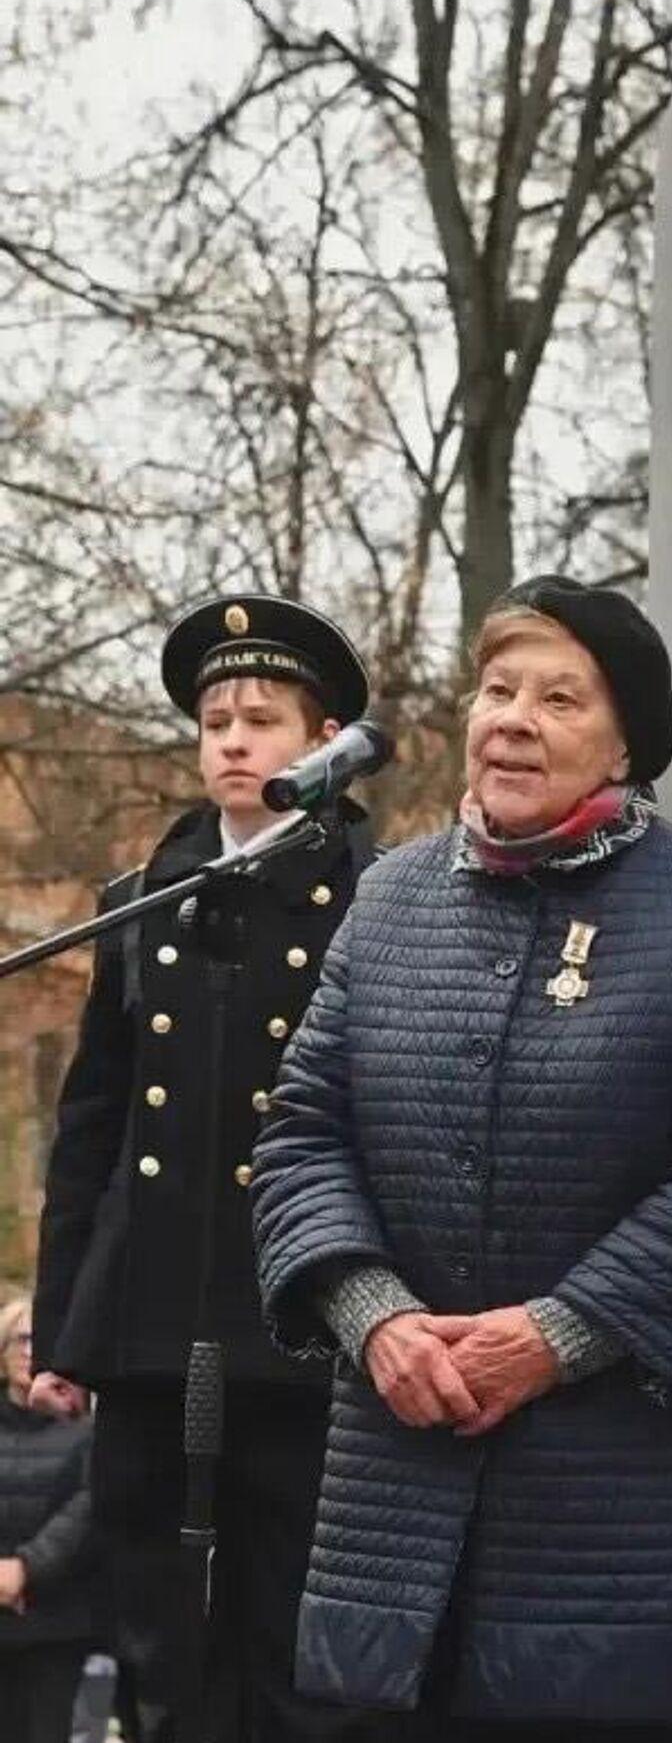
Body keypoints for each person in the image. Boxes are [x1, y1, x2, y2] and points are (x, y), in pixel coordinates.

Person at [249, 576, 672, 1739]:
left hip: (612, 1536)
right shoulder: (387, 901)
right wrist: (375, 1318)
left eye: (559, 699)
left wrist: (553, 1338)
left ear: (624, 745)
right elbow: (303, 1137)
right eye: (497, 690)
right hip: (393, 1507)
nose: (513, 720)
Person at [29, 594, 381, 1743]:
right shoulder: (143, 901)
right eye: (216, 721)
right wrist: (63, 1333)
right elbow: (93, 1127)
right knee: (154, 1622)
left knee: (286, 1621)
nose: (233, 741)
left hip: (297, 1320)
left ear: (322, 741)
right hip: (150, 1315)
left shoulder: (374, 896)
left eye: (263, 719)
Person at [1, 1298, 98, 1743]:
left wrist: (26, 1568)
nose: (31, 1349)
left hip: (56, 1622)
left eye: (41, 1339)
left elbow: (88, 1505)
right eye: (22, 1338)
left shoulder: (85, 1429)